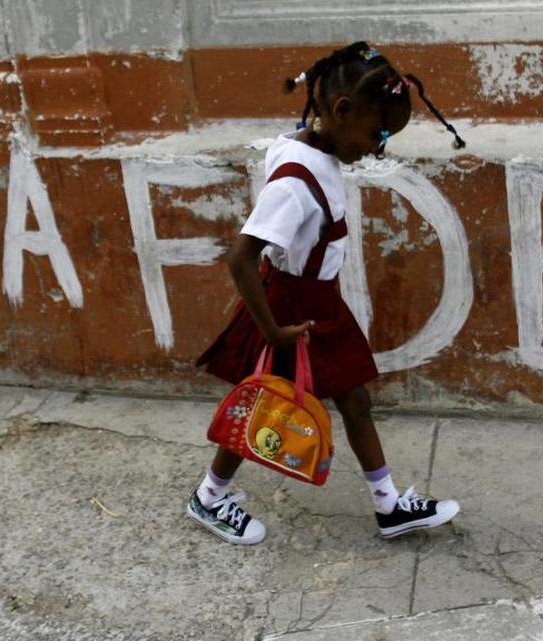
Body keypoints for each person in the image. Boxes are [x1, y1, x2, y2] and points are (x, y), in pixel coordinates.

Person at [188, 42, 466, 545]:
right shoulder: (295, 184)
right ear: (341, 111)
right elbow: (241, 257)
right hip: (293, 311)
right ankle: (208, 498)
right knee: (262, 404)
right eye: (377, 133)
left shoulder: (309, 146)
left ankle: (388, 506)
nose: (378, 147)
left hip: (319, 305)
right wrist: (275, 331)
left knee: (353, 399)